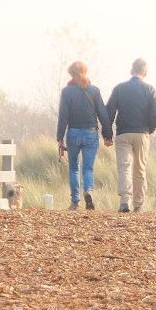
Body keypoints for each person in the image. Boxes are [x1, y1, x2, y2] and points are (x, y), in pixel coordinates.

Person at [105, 58, 156, 213]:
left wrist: (107, 134)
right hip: (142, 134)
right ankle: (138, 204)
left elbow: (108, 112)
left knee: (124, 168)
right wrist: (149, 130)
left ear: (132, 70)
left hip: (123, 134)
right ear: (145, 72)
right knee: (140, 169)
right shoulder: (150, 89)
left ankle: (124, 202)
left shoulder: (119, 89)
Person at [56, 61, 113, 211]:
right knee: (88, 168)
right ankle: (88, 191)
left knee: (74, 168)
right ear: (85, 72)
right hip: (90, 133)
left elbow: (63, 116)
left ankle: (75, 201)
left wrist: (60, 137)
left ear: (71, 74)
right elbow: (103, 114)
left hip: (73, 133)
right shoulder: (94, 91)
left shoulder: (66, 92)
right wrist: (108, 135)